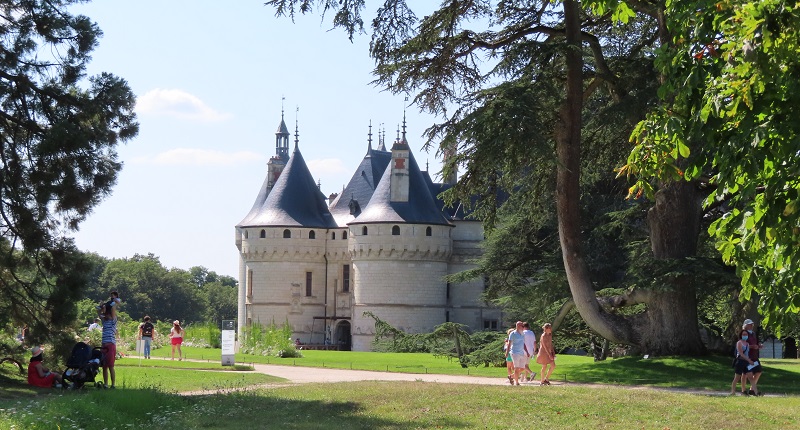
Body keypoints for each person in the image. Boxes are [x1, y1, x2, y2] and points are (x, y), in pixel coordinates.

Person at [731, 329, 755, 395]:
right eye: (743, 334)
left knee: (751, 376)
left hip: (746, 362)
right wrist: (749, 360)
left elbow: (747, 353)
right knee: (737, 377)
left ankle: (755, 392)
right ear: (741, 335)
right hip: (740, 361)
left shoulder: (747, 344)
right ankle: (733, 392)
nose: (745, 336)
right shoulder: (739, 343)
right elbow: (741, 354)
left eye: (746, 334)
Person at [743, 318, 763, 395]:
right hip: (747, 356)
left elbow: (756, 342)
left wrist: (759, 345)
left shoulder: (753, 333)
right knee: (745, 374)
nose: (751, 326)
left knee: (758, 371)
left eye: (752, 324)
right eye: (749, 324)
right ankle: (744, 390)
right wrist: (751, 346)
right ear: (746, 325)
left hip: (754, 356)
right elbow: (742, 345)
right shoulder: (744, 333)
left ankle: (752, 389)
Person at [507, 321, 530, 386]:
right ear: (518, 326)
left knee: (522, 368)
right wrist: (507, 352)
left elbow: (523, 344)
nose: (523, 327)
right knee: (516, 368)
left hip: (521, 353)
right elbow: (509, 343)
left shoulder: (522, 334)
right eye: (522, 326)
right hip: (514, 352)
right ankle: (516, 382)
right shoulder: (513, 333)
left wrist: (527, 352)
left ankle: (511, 376)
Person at [100, 306, 118, 388]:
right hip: (104, 345)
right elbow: (99, 313)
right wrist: (102, 307)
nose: (106, 316)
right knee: (104, 366)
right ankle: (106, 384)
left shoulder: (113, 322)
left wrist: (112, 304)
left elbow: (113, 311)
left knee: (110, 366)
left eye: (108, 314)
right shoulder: (104, 322)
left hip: (110, 345)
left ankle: (113, 384)